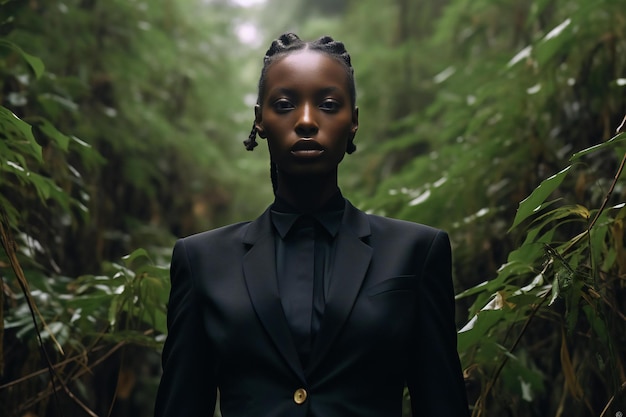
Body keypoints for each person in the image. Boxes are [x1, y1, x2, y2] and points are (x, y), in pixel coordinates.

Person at [154, 32, 469, 417]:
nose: (306, 121)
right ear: (260, 121)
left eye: (328, 104)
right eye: (285, 105)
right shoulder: (202, 260)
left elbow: (442, 403)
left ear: (353, 121)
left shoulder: (416, 252)